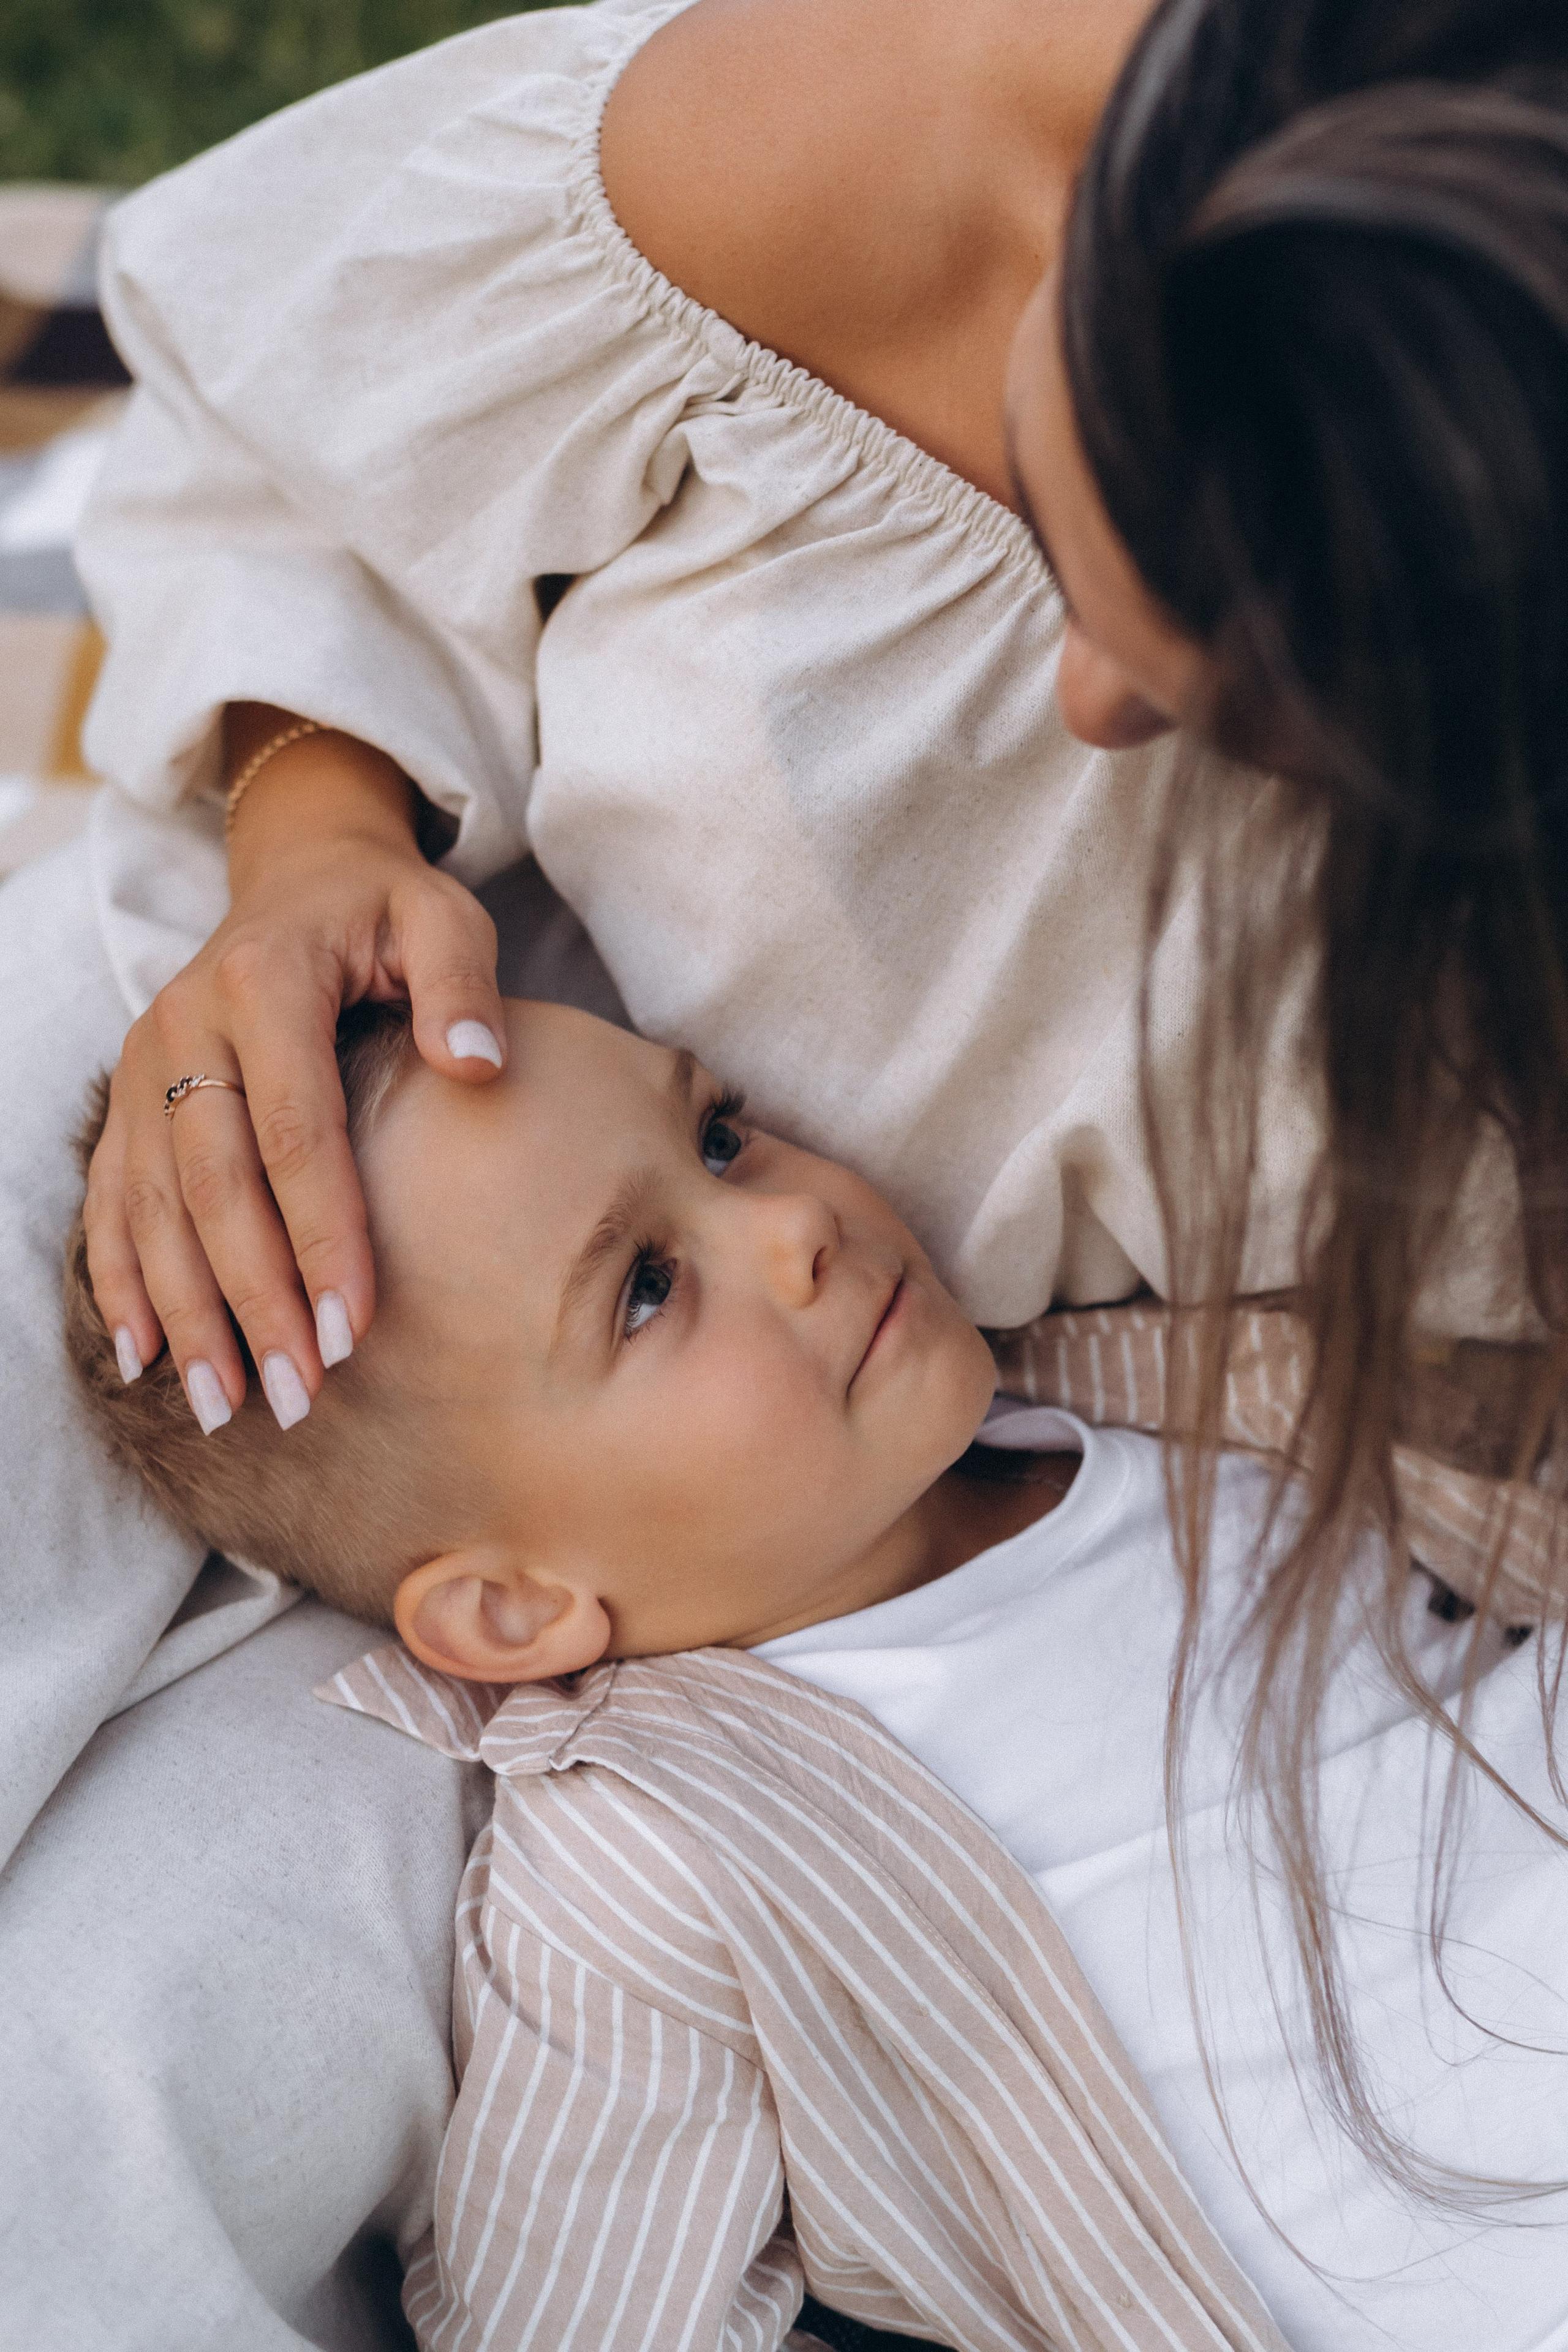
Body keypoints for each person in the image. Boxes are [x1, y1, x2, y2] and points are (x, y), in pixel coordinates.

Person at [6, 0, 1567, 2334]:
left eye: (1243, 684)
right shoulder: (811, 140)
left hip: (719, 1483)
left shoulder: (1191, 1439)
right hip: (429, 1060)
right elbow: (288, 459)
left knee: (123, 2038)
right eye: (1075, 509)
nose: (1097, 709)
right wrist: (307, 835)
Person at [62, 997, 1568, 2352]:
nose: (792, 1229)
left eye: (719, 1137)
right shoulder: (647, 1862)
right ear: (516, 1611)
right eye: (646, 1289)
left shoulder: (1158, 1386)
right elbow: (578, 2321)